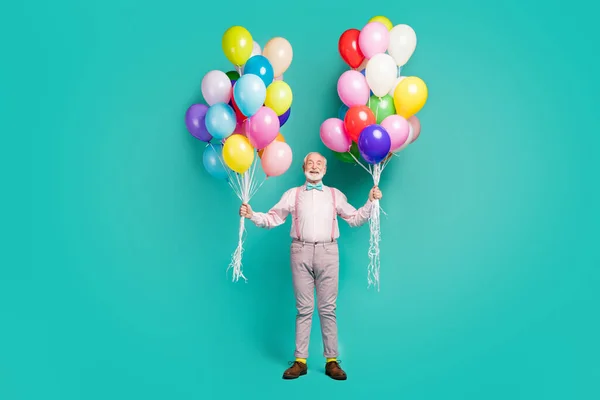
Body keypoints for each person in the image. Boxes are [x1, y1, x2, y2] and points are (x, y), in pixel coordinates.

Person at [239, 152, 382, 380]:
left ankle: (332, 361)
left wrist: (370, 201)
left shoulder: (335, 195)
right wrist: (252, 215)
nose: (314, 166)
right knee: (303, 309)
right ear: (303, 167)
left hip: (328, 251)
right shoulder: (292, 195)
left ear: (325, 170)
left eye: (319, 164)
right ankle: (300, 361)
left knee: (328, 309)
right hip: (300, 251)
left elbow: (355, 218)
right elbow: (273, 218)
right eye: (310, 163)